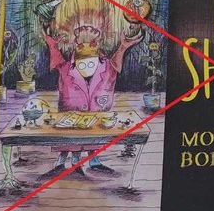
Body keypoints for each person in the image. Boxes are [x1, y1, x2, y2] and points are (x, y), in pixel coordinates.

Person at [40, 24, 143, 178]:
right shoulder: (66, 68)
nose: (86, 67)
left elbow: (115, 65)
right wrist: (52, 44)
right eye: (82, 63)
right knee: (69, 138)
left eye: (90, 63)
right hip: (70, 114)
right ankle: (63, 163)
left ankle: (93, 161)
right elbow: (57, 62)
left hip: (95, 112)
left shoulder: (107, 67)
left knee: (93, 137)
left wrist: (123, 47)